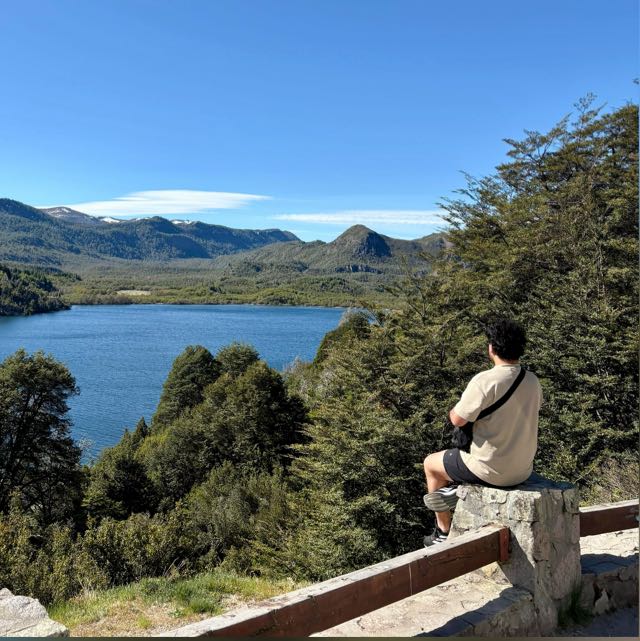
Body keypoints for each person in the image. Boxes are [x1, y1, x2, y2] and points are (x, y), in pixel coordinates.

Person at [422, 318, 543, 547]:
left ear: (492, 348)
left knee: (430, 464)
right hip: (523, 470)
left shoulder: (485, 380)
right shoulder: (532, 380)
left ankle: (442, 531)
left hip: (490, 469)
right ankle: (457, 488)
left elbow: (457, 419)